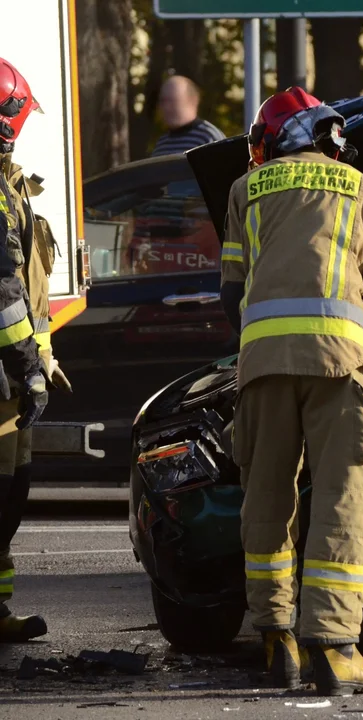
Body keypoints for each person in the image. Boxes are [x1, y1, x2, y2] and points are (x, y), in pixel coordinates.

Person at [220, 87, 363, 696]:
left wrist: (262, 345)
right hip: (343, 366)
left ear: (274, 138)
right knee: (342, 499)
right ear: (324, 133)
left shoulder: (243, 191)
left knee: (266, 498)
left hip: (265, 367)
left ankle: (277, 641)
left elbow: (231, 291)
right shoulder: (362, 188)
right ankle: (335, 649)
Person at [0, 57, 60, 643]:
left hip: (10, 380)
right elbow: (3, 293)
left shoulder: (8, 185)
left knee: (9, 496)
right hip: (4, 377)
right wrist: (28, 367)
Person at [150, 75, 225, 157]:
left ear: (192, 101)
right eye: (163, 101)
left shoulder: (210, 138)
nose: (166, 107)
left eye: (172, 101)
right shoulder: (161, 144)